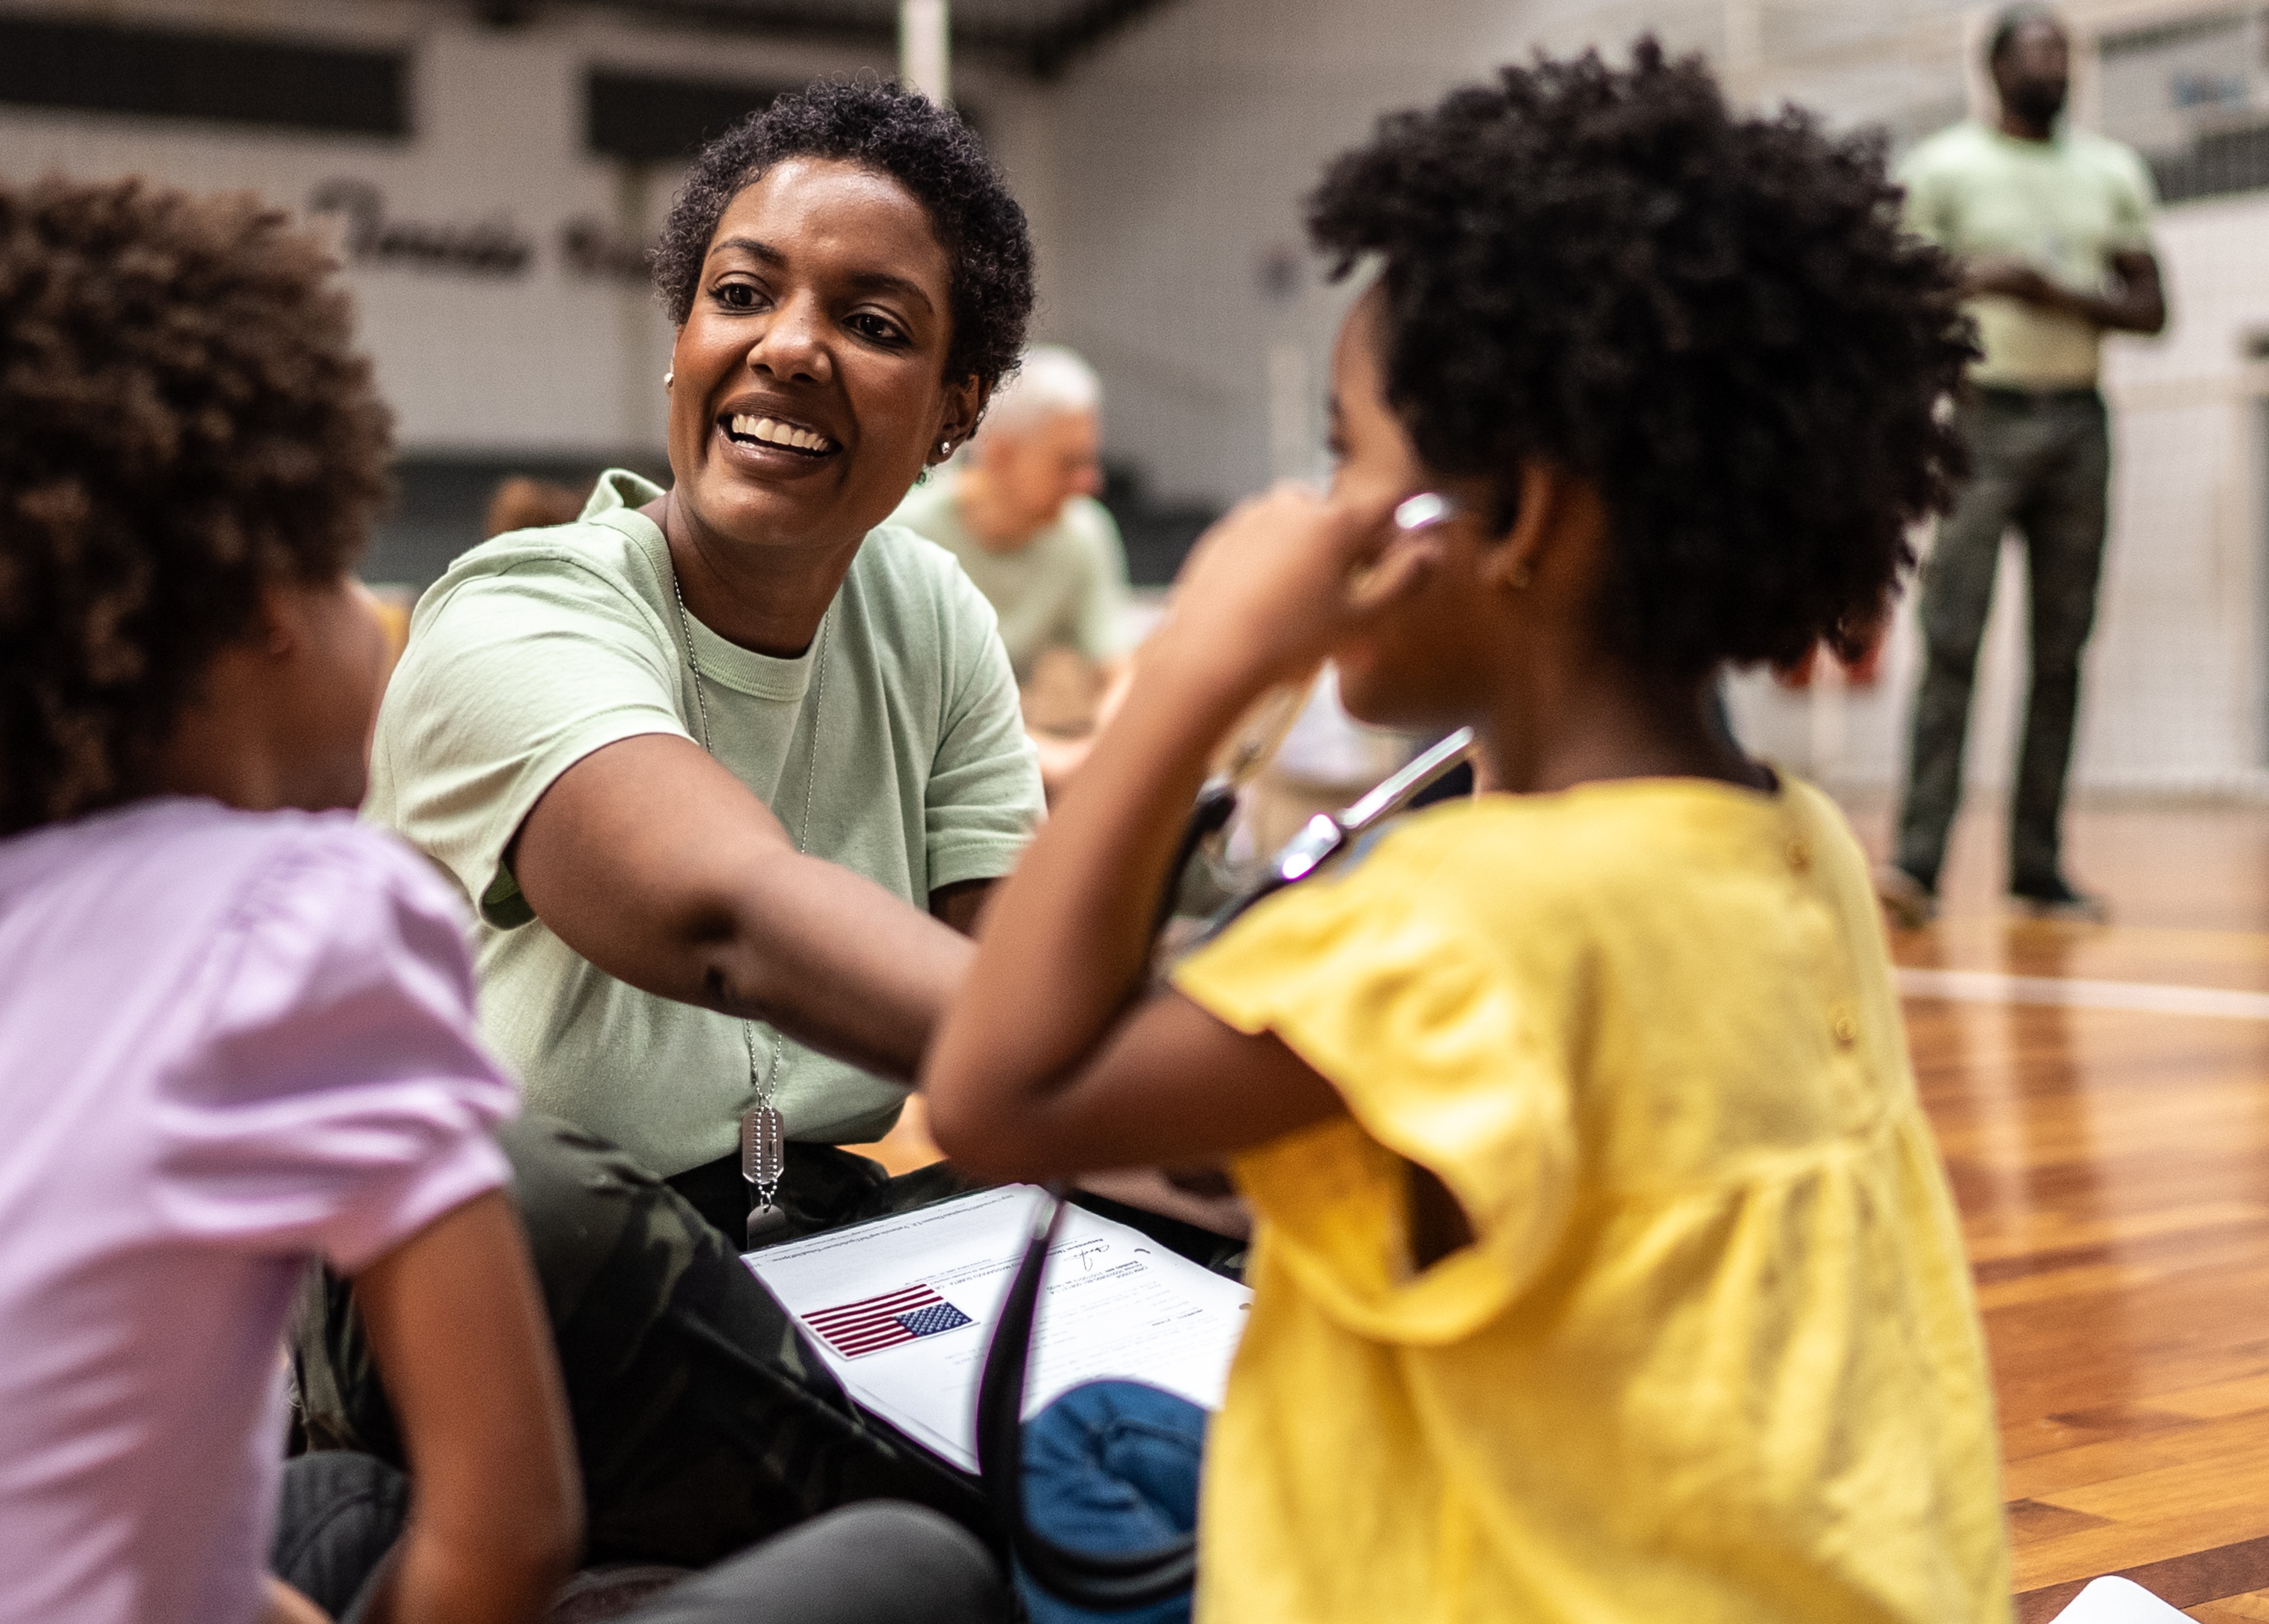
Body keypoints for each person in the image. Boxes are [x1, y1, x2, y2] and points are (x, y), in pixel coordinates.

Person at [0, 171, 997, 1624]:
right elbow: (507, 1532)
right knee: (922, 1571)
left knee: (330, 1523)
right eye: (345, 561)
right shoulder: (303, 920)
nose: (385, 611)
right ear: (256, 614)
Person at [926, 41, 2008, 1624]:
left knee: (992, 1514)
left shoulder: (1461, 928)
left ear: (1523, 521)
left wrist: (1204, 663)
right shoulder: (1794, 847)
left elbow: (994, 1095)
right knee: (1111, 1437)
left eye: (1351, 460)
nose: (1315, 515)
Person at [322, 79, 1041, 1567]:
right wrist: (1137, 1058)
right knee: (510, 1180)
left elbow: (1014, 1004)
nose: (788, 345)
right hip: (493, 1263)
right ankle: (959, 1527)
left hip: (804, 1221)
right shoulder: (515, 610)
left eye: (878, 323)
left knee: (1091, 1209)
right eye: (741, 292)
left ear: (958, 408)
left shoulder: (934, 617)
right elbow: (727, 916)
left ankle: (923, 1516)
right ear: (682, 340)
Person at [1878, 1, 2167, 927]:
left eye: (2065, 51)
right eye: (2037, 50)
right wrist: (1978, 279)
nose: (2056, 64)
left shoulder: (2112, 172)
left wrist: (2057, 292)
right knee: (1953, 640)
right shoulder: (1943, 168)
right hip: (1981, 417)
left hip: (2078, 421)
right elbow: (1898, 288)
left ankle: (2037, 865)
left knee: (2062, 651)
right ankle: (1918, 863)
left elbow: (2152, 308)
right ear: (1993, 67)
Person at [888, 345, 1134, 791]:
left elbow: (1118, 668)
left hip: (1013, 751)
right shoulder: (904, 534)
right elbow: (910, 713)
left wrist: (1108, 747)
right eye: (1069, 464)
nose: (1091, 482)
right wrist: (1056, 759)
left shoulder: (1084, 533)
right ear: (1000, 455)